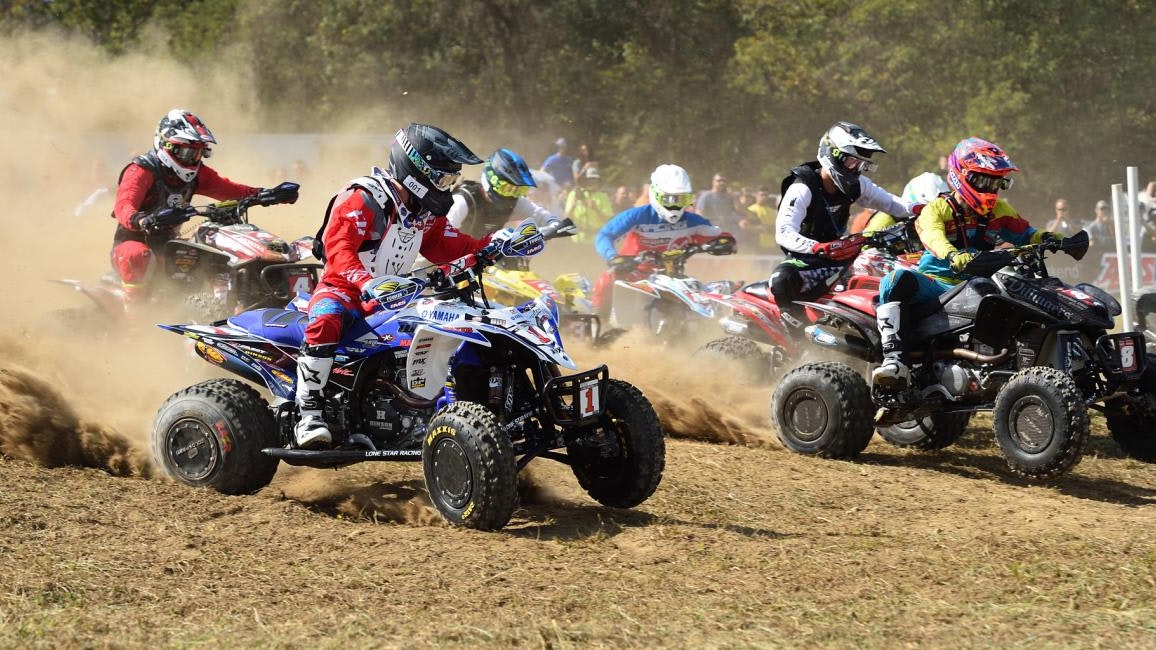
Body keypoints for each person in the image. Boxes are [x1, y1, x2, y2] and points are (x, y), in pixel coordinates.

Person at [296, 124, 524, 449]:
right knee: (325, 320)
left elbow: (452, 246)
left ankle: (424, 408)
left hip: (395, 294)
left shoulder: (422, 212)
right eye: (442, 179)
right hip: (343, 289)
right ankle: (310, 414)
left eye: (451, 181)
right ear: (417, 169)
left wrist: (494, 245)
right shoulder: (363, 198)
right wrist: (366, 283)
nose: (446, 188)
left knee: (450, 320)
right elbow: (338, 251)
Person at [872, 137, 1063, 386]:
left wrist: (1051, 238)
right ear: (961, 175)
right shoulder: (937, 208)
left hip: (979, 284)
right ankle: (895, 362)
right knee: (894, 280)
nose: (990, 189)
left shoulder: (1000, 210)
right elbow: (931, 235)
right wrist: (952, 255)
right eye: (983, 180)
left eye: (996, 182)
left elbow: (1027, 233)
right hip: (937, 283)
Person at [111, 109, 295, 308]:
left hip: (169, 243)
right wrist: (144, 220)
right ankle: (134, 325)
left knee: (212, 253)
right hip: (132, 243)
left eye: (199, 152)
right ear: (166, 145)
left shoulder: (199, 173)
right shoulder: (141, 170)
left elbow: (230, 190)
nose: (193, 159)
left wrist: (266, 194)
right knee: (138, 254)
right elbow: (123, 207)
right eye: (187, 151)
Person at [770, 121, 912, 331]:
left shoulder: (857, 185)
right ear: (833, 154)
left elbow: (895, 204)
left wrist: (926, 208)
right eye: (853, 162)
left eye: (862, 165)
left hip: (841, 256)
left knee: (882, 266)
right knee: (781, 279)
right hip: (808, 260)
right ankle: (799, 338)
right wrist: (818, 247)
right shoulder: (802, 187)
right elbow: (783, 232)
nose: (856, 170)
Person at [591, 164, 735, 317]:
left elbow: (722, 237)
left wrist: (724, 243)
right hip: (634, 271)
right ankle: (599, 322)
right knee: (605, 280)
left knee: (718, 292)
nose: (675, 205)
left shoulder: (693, 221)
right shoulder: (637, 216)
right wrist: (613, 257)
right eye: (669, 199)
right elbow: (604, 235)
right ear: (655, 194)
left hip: (673, 277)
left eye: (681, 199)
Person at [447, 148, 560, 239]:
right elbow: (439, 239)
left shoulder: (515, 204)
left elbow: (541, 215)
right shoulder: (462, 201)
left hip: (485, 262)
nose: (511, 195)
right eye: (507, 188)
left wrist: (553, 226)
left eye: (518, 191)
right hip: (452, 262)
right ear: (492, 180)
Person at [565, 166, 614, 243]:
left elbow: (608, 221)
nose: (592, 182)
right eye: (589, 180)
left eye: (595, 180)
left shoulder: (603, 197)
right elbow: (566, 219)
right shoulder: (574, 194)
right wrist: (573, 207)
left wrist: (596, 209)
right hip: (577, 239)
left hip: (597, 240)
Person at [740, 187, 777, 252]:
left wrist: (770, 228)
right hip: (757, 245)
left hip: (771, 245)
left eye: (766, 195)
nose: (764, 197)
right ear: (756, 196)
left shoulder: (772, 212)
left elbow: (776, 228)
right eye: (762, 195)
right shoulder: (750, 210)